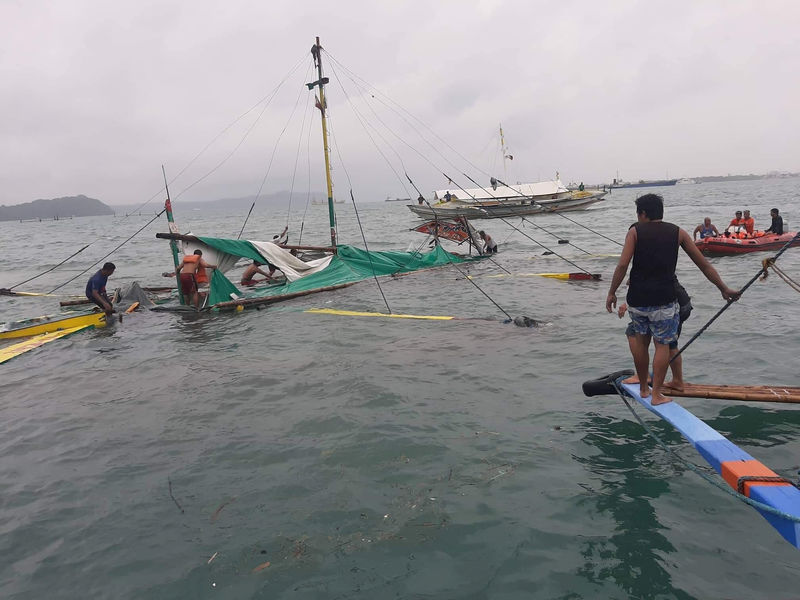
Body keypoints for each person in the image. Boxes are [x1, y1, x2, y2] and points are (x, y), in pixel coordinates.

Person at [606, 194, 740, 405]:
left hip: (637, 299)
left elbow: (623, 265)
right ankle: (657, 394)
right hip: (664, 299)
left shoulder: (634, 232)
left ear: (642, 213)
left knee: (641, 342)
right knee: (663, 345)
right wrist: (723, 288)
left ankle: (643, 388)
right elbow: (703, 265)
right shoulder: (678, 233)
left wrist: (612, 292)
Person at [618, 275, 692, 392]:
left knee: (632, 332)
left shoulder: (644, 263)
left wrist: (625, 302)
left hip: (667, 304)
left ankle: (643, 375)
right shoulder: (662, 259)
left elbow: (634, 283)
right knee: (670, 343)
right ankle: (678, 381)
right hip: (682, 302)